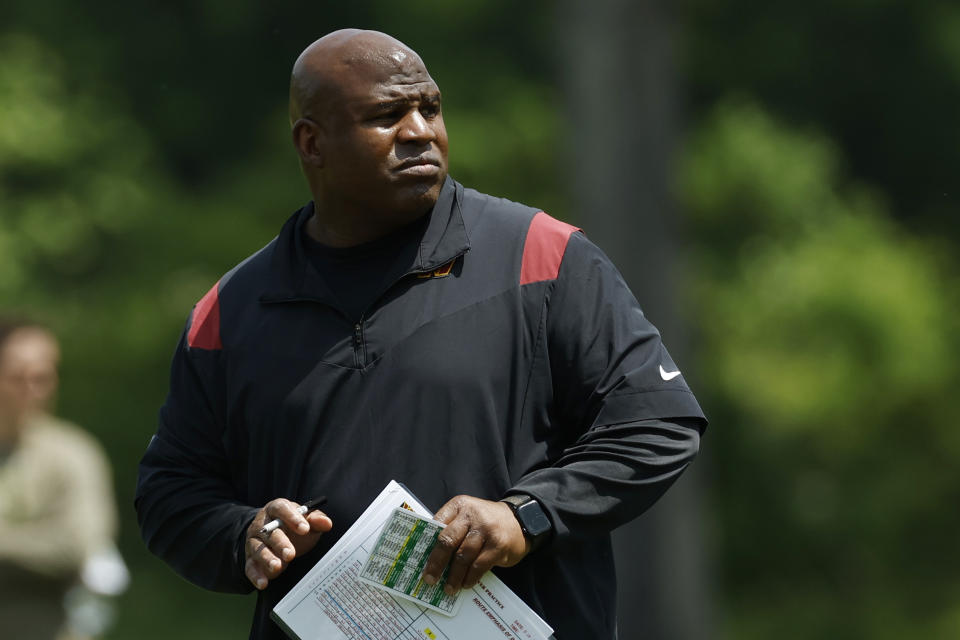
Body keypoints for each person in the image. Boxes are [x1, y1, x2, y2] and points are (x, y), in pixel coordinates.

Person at [135, 29, 707, 639]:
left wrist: (527, 516)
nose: (420, 132)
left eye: (429, 109)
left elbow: (655, 424)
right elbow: (171, 492)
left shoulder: (543, 256)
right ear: (312, 143)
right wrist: (243, 535)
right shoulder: (232, 308)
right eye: (386, 115)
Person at [0, 320, 127, 640]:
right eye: (18, 376)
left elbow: (74, 547)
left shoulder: (73, 454)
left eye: (43, 376)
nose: (33, 388)